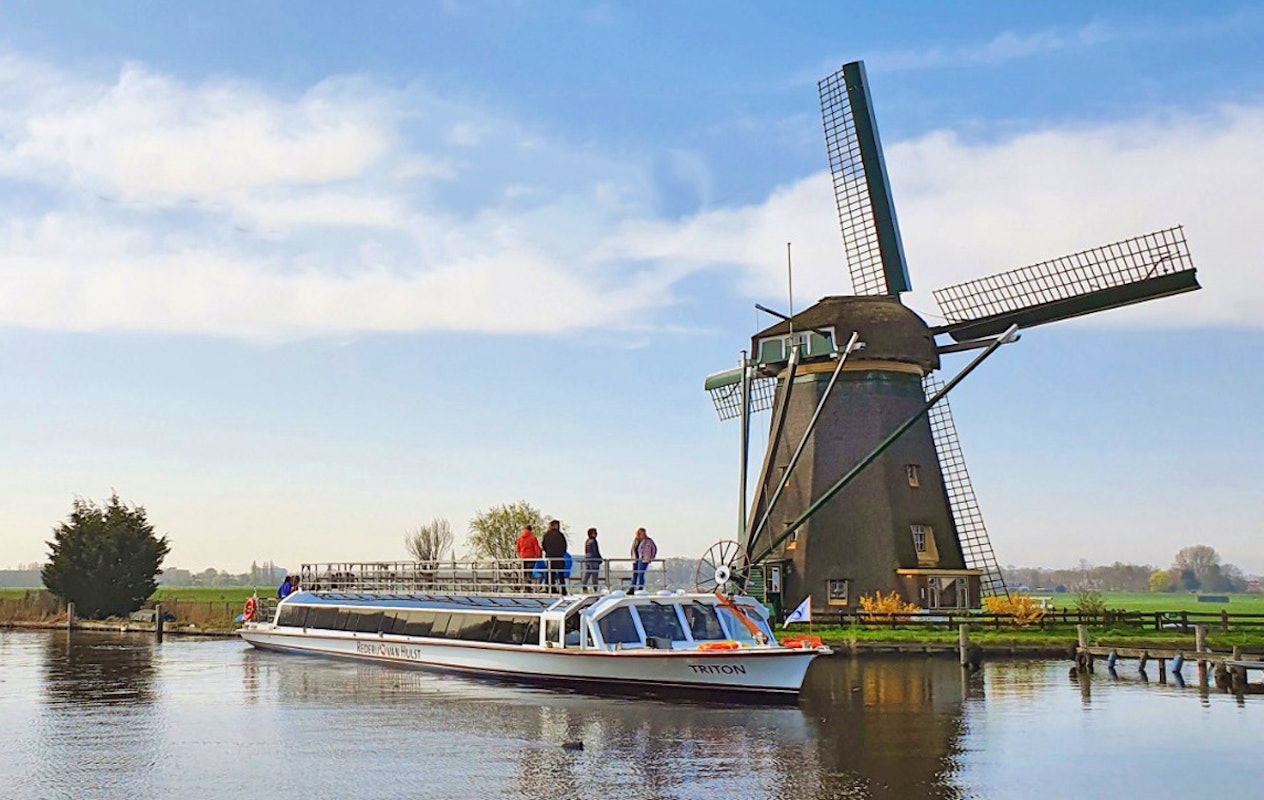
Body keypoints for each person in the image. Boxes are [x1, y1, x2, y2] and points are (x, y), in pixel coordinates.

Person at [541, 519, 568, 594]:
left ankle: (550, 589)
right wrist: (561, 553)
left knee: (550, 574)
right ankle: (563, 589)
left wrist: (548, 552)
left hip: (550, 557)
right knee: (561, 574)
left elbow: (543, 546)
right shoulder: (560, 535)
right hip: (560, 557)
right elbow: (564, 546)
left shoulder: (546, 535)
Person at [515, 525, 542, 590]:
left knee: (524, 572)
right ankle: (529, 585)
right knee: (530, 572)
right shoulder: (533, 538)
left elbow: (517, 549)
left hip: (523, 558)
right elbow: (536, 548)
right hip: (531, 557)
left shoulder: (520, 538)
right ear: (530, 530)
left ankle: (525, 586)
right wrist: (539, 556)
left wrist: (520, 555)